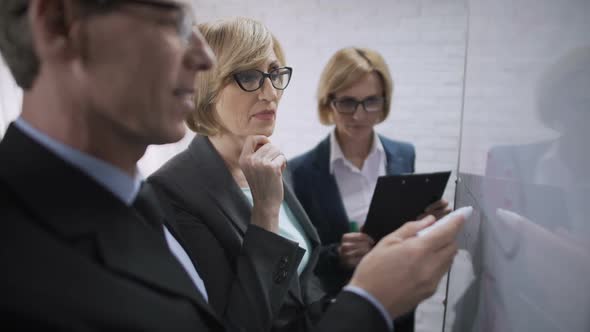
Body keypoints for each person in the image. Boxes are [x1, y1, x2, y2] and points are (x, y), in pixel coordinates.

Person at [0, 2, 462, 330]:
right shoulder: (168, 193)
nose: (198, 57)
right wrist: (369, 300)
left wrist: (366, 277)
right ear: (58, 24)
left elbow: (304, 289)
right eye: (169, 19)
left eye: (275, 75)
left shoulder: (249, 169)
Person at [149, 18, 461, 332]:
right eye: (248, 76)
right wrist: (266, 211)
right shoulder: (172, 191)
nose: (270, 92)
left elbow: (302, 280)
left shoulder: (268, 163)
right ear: (205, 84)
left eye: (274, 73)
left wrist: (344, 261)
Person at [288, 47, 451, 331]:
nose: (360, 115)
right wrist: (338, 255)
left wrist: (428, 221)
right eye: (348, 102)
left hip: (400, 306)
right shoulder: (300, 172)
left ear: (383, 102)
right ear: (329, 102)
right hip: (339, 312)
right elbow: (298, 261)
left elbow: (407, 227)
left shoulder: (403, 154)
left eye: (370, 101)